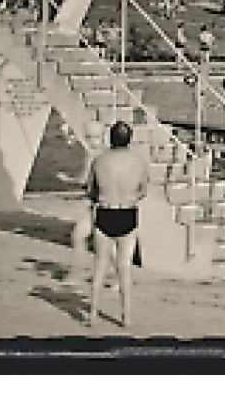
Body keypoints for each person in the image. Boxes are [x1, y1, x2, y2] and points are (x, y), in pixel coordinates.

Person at [84, 121, 150, 327]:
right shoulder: (139, 162)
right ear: (129, 139)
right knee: (124, 268)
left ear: (109, 138)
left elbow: (90, 190)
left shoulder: (99, 161)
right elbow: (143, 191)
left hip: (105, 211)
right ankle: (126, 317)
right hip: (127, 213)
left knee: (99, 266)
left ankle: (92, 315)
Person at [65, 120, 108, 282]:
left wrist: (67, 179)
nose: (92, 141)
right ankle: (77, 273)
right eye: (89, 137)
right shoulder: (108, 153)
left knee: (79, 237)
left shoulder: (93, 155)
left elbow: (84, 180)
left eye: (95, 137)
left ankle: (76, 274)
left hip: (98, 204)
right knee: (88, 239)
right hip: (102, 203)